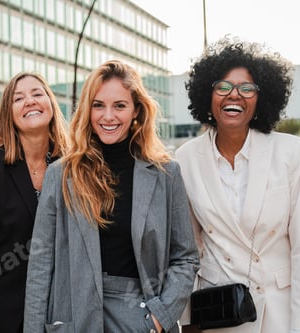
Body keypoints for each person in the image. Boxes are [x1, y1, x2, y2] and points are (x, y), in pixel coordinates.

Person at [23, 60, 199, 333]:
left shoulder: (166, 174)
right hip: (75, 317)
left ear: (136, 110)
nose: (108, 116)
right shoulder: (61, 174)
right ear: (87, 110)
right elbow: (41, 262)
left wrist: (159, 318)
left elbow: (185, 257)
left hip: (139, 318)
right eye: (98, 105)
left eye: (119, 105)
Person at [176, 37, 300, 333]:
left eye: (247, 88)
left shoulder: (289, 152)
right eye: (223, 87)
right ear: (208, 95)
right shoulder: (185, 158)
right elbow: (188, 250)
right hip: (220, 312)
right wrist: (187, 320)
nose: (234, 95)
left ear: (261, 99)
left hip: (278, 312)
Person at [0, 71, 68, 332]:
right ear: (9, 114)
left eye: (37, 94)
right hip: (7, 317)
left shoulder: (74, 166)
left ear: (51, 103)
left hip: (66, 313)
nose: (30, 101)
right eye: (18, 98)